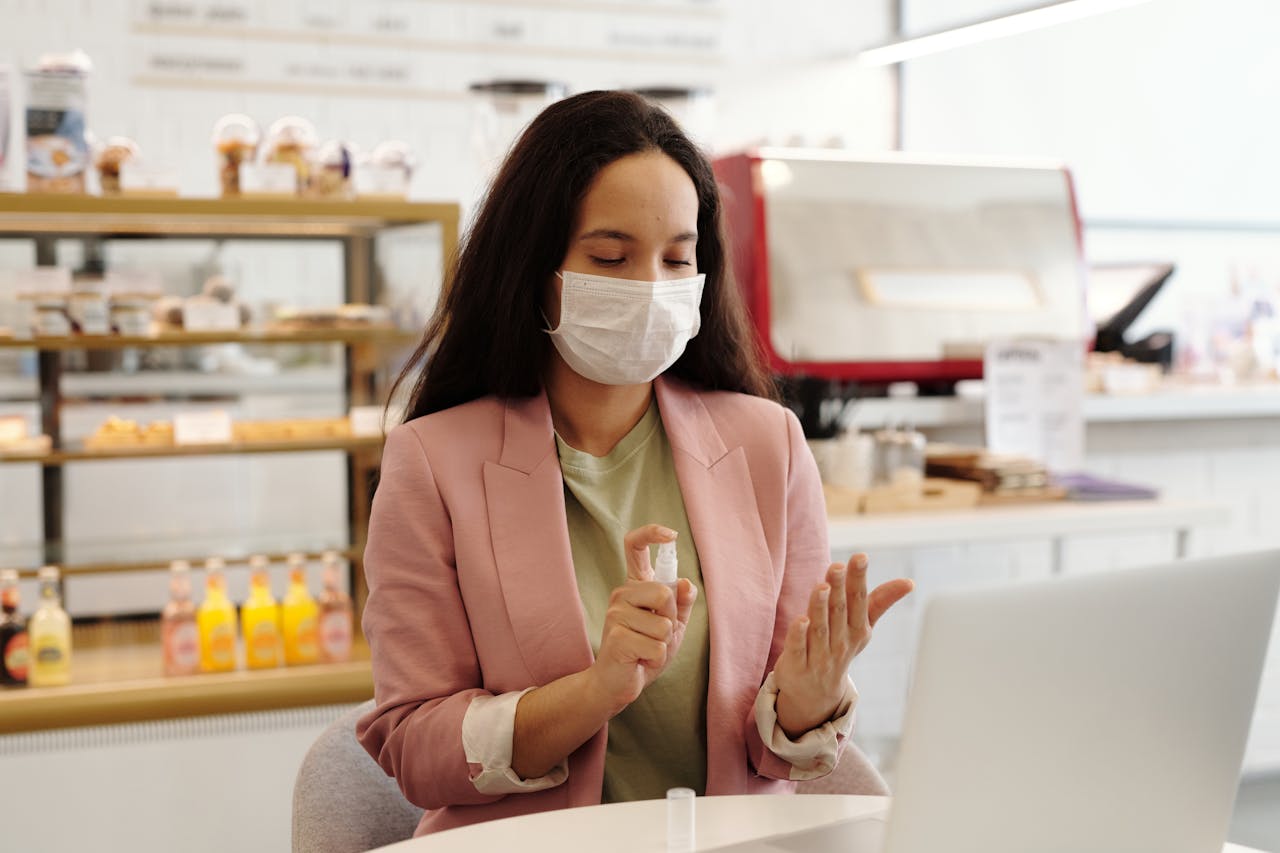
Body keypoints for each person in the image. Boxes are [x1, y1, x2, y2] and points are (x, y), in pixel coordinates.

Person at [356, 90, 914, 837]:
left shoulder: (767, 445)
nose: (651, 287)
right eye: (610, 257)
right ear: (533, 263)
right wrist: (595, 689)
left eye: (677, 258)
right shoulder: (431, 461)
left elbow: (775, 754)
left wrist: (807, 700)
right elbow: (413, 747)